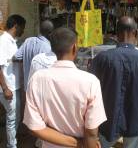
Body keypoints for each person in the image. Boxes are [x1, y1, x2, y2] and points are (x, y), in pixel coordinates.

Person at [23, 28, 107, 148]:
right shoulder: (90, 82)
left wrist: (77, 143)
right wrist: (81, 144)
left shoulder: (37, 79)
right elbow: (91, 133)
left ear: (53, 49)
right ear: (74, 48)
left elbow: (34, 127)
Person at [90, 16, 138, 148]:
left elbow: (90, 93)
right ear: (137, 33)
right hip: (135, 119)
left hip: (106, 120)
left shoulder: (101, 59)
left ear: (116, 34)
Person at [0, 14, 26, 148]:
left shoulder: (12, 41)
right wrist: (5, 88)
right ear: (16, 26)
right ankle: (11, 145)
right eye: (23, 28)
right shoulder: (3, 41)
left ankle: (12, 141)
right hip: (7, 88)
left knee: (15, 117)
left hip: (13, 87)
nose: (23, 31)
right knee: (12, 119)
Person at [14, 20, 54, 91]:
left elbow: (16, 57)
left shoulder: (28, 40)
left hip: (28, 86)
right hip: (40, 89)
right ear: (50, 33)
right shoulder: (48, 48)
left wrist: (28, 59)